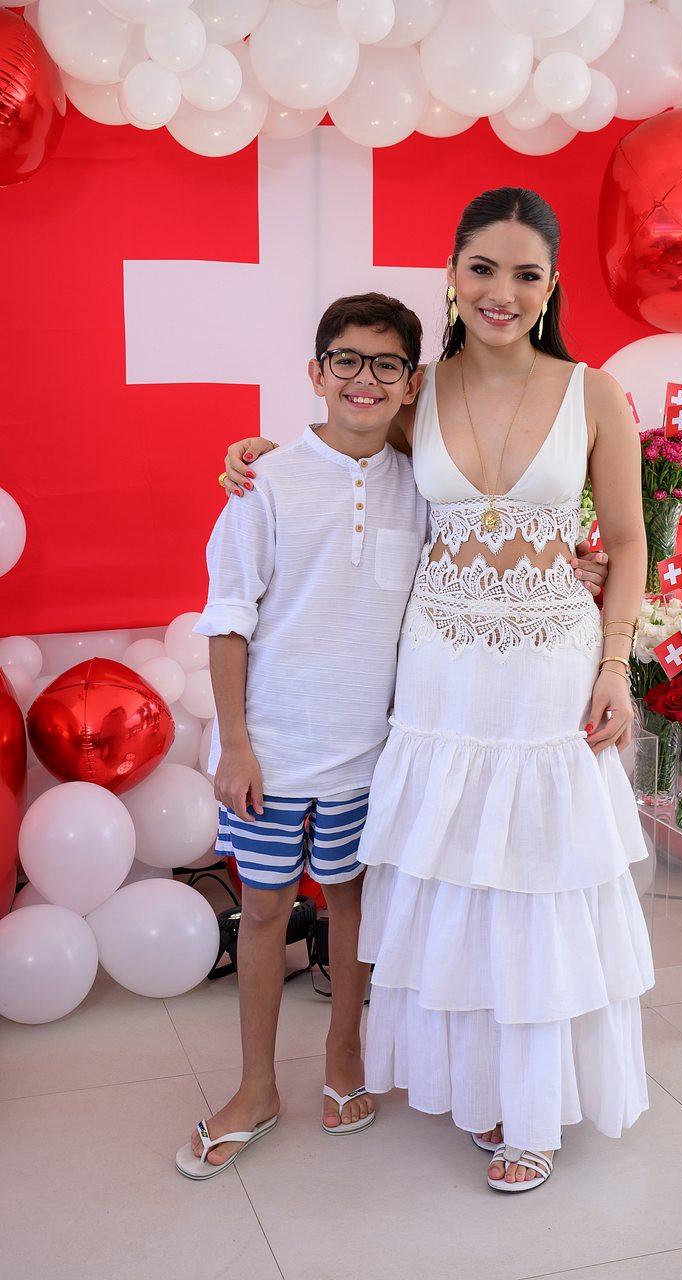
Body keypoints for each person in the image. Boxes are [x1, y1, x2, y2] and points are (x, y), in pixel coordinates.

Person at [223, 189, 647, 1195]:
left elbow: (629, 541)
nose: (503, 292)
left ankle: (530, 1105)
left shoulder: (593, 394)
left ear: (551, 286)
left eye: (526, 274)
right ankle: (467, 1081)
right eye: (482, 269)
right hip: (439, 676)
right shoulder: (418, 393)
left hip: (548, 676)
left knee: (534, 878)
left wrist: (615, 661)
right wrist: (258, 455)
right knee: (450, 874)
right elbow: (345, 449)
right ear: (452, 275)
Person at [175, 293, 429, 1178]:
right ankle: (256, 1087)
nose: (365, 379)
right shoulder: (267, 481)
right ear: (316, 374)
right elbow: (229, 619)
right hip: (272, 752)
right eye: (346, 360)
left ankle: (343, 1056)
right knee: (265, 909)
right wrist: (237, 744)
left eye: (386, 364)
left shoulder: (422, 486)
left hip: (369, 755)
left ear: (410, 384)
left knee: (353, 904)